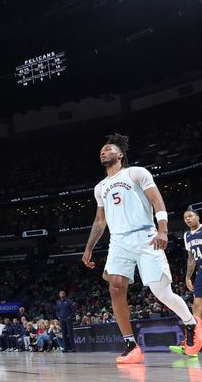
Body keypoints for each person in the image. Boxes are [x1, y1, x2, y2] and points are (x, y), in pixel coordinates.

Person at [82, 133, 202, 364]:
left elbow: (157, 200)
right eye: (101, 150)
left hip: (146, 234)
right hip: (118, 241)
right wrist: (89, 248)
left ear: (120, 154)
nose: (103, 152)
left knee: (161, 292)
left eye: (108, 149)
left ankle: (191, 323)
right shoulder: (100, 187)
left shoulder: (136, 172)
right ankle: (131, 346)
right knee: (115, 288)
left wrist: (163, 229)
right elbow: (100, 221)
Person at [171, 207, 202, 355]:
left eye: (190, 216)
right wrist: (188, 276)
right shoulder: (187, 235)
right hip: (200, 272)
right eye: (185, 218)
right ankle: (194, 345)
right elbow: (191, 258)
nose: (188, 219)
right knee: (196, 307)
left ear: (197, 217)